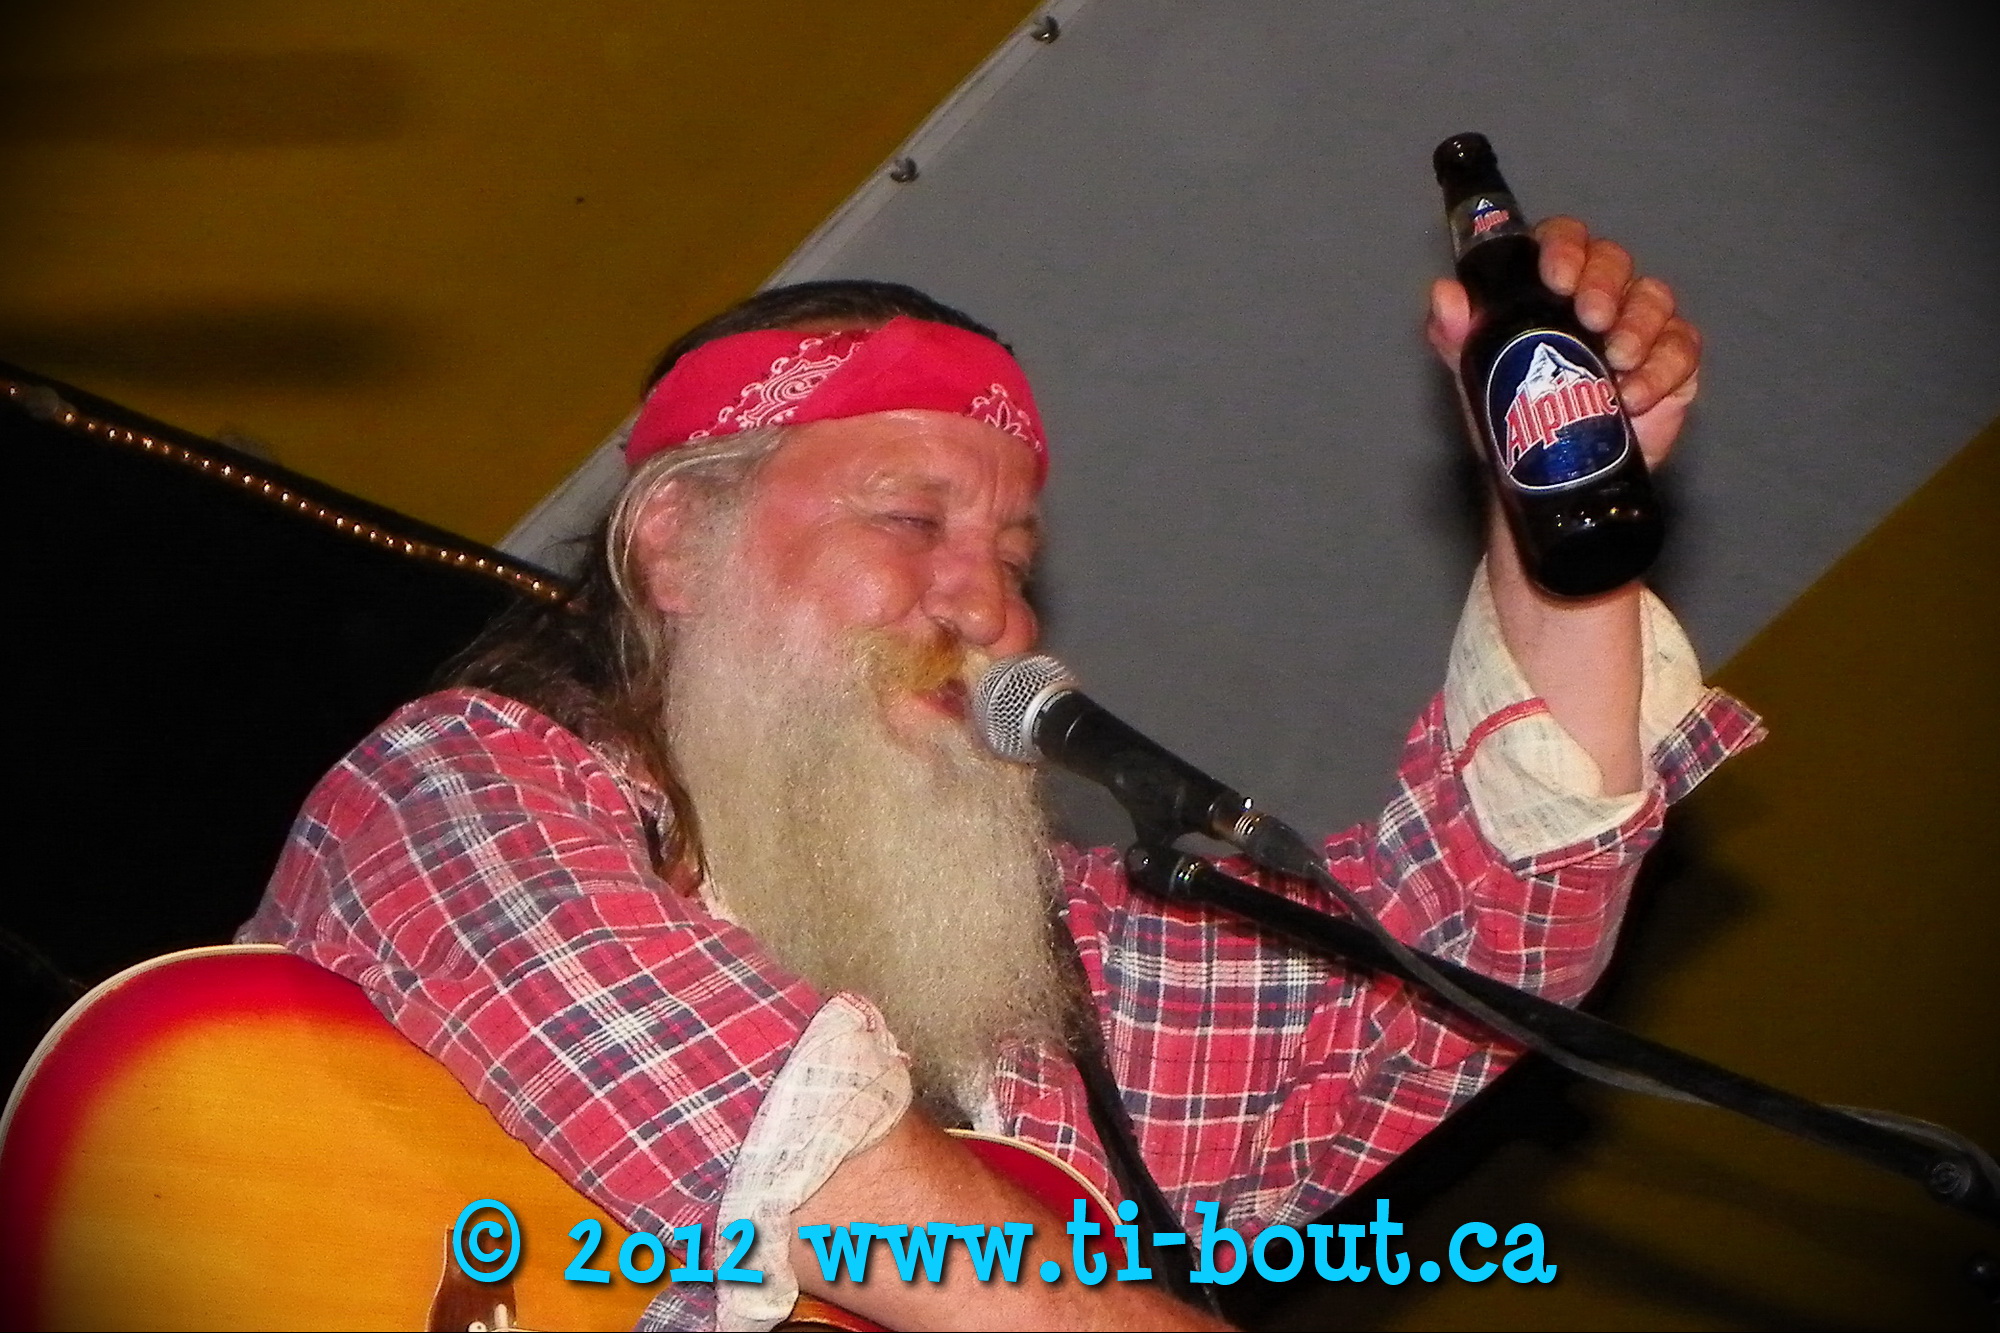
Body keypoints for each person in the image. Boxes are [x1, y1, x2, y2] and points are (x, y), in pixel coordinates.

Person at [240, 218, 1761, 1331]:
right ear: (676, 546)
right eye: (911, 522)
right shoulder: (461, 781)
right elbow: (767, 1131)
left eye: (1017, 561)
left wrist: (1571, 533)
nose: (989, 611)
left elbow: (1464, 950)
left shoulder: (1045, 1005)